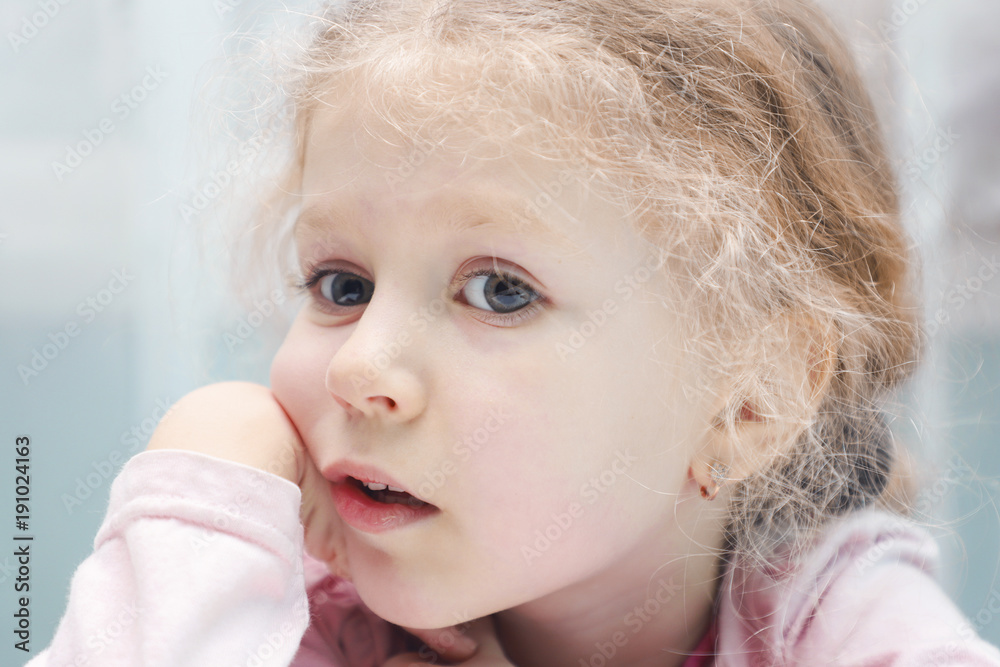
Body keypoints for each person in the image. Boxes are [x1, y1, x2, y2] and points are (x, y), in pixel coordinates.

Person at [27, 0, 1000, 665]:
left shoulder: (837, 623)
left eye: (498, 291)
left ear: (750, 395)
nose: (363, 367)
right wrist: (206, 486)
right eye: (340, 282)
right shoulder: (281, 614)